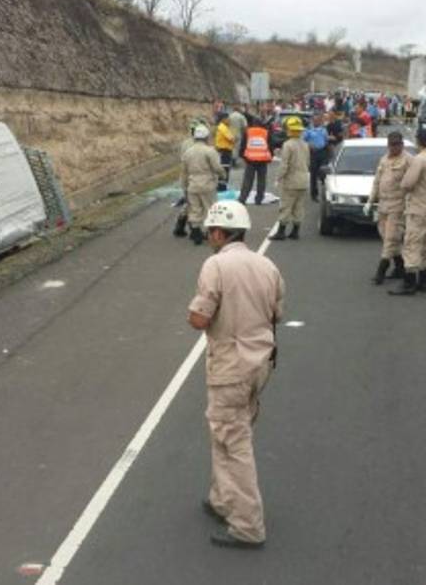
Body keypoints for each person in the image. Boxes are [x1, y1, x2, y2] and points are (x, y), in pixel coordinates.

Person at [187, 201, 284, 549]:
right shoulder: (267, 265)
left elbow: (200, 318)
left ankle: (247, 525)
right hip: (261, 362)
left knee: (233, 441)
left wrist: (197, 313)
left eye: (209, 232)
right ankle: (222, 500)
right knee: (228, 431)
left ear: (218, 232)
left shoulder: (215, 265)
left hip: (231, 366)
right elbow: (277, 313)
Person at [390, 127, 426, 296]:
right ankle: (425, 282)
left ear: (419, 141)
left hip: (419, 207)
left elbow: (407, 183)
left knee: (412, 244)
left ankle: (409, 283)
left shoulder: (420, 159)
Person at [364, 131, 410, 285]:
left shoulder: (408, 160)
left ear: (402, 144)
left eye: (397, 144)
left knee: (391, 238)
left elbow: (413, 183)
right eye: (391, 144)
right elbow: (377, 182)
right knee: (385, 235)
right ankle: (400, 266)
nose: (394, 147)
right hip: (383, 203)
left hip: (398, 204)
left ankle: (381, 272)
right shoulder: (384, 159)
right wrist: (370, 201)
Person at [181, 122, 226, 245]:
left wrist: (184, 187)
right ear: (206, 137)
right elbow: (217, 167)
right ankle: (209, 233)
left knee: (195, 210)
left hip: (192, 184)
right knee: (210, 209)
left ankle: (196, 234)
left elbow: (183, 172)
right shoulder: (209, 151)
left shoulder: (188, 152)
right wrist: (223, 175)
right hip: (207, 184)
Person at [271, 117, 310, 240]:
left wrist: (278, 178)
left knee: (286, 206)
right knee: (299, 206)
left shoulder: (288, 145)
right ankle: (295, 231)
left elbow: (284, 165)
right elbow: (307, 162)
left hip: (291, 180)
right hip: (304, 179)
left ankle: (281, 231)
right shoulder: (305, 144)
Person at [237, 114, 272, 206]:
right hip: (263, 160)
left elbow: (243, 145)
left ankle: (242, 198)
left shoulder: (248, 132)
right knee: (261, 181)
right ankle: (259, 199)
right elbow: (270, 146)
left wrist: (243, 156)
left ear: (253, 123)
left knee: (247, 180)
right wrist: (270, 157)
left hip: (250, 160)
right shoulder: (266, 132)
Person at [304, 114, 328, 201]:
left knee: (323, 173)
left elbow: (326, 140)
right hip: (313, 153)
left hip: (322, 152)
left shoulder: (323, 130)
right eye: (315, 120)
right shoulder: (309, 130)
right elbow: (303, 140)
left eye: (318, 120)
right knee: (313, 174)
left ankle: (325, 192)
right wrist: (309, 145)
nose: (316, 122)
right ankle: (314, 194)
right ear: (312, 121)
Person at [214, 112, 236, 187]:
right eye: (228, 119)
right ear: (223, 119)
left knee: (224, 168)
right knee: (224, 169)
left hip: (224, 151)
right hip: (224, 151)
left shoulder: (223, 127)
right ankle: (222, 187)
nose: (229, 120)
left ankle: (222, 185)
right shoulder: (223, 127)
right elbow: (231, 139)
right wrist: (234, 139)